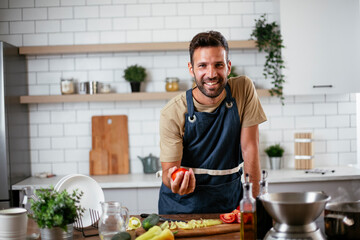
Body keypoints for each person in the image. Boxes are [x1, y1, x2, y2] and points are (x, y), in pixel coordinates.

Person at [158, 31, 267, 214]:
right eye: (202, 66)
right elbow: (170, 171)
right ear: (191, 69)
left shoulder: (243, 90)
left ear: (228, 67)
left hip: (230, 206)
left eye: (218, 65)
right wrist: (176, 183)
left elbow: (250, 149)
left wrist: (253, 205)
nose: (211, 74)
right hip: (182, 209)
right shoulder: (173, 112)